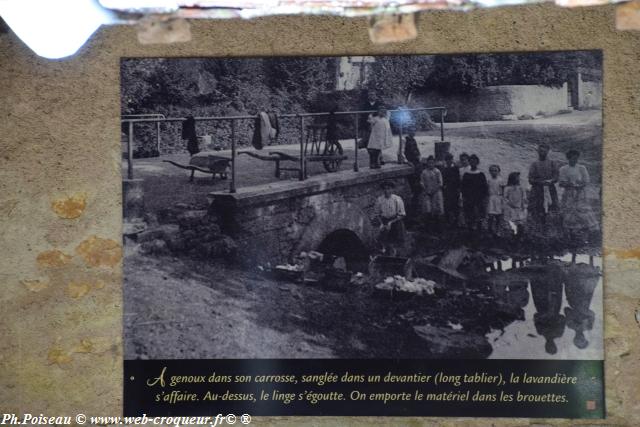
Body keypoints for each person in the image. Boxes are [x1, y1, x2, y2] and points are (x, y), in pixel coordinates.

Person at [558, 150, 599, 241]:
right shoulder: (563, 169)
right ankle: (570, 232)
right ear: (569, 158)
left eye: (576, 158)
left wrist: (580, 185)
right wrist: (569, 184)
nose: (575, 160)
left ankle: (585, 232)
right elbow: (561, 183)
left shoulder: (582, 168)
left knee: (582, 210)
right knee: (569, 211)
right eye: (573, 158)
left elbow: (586, 180)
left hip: (580, 193)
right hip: (569, 194)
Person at [528, 143, 559, 224]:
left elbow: (556, 177)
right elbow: (530, 179)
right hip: (537, 190)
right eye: (540, 151)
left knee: (551, 208)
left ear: (548, 151)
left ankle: (549, 225)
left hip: (550, 188)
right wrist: (540, 182)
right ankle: (537, 225)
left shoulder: (553, 163)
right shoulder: (534, 164)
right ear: (538, 152)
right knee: (537, 209)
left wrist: (550, 181)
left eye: (544, 151)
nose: (542, 153)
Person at [374, 181, 406, 255]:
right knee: (383, 239)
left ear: (392, 190)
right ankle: (386, 252)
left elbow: (402, 214)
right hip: (384, 221)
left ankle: (398, 253)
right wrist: (381, 223)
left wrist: (391, 222)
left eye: (388, 189)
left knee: (397, 240)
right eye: (384, 189)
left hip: (396, 221)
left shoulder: (397, 199)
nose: (386, 191)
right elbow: (377, 214)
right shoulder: (380, 200)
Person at [461, 154, 488, 232]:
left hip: (478, 198)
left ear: (477, 162)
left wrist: (483, 198)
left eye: (475, 161)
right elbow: (463, 187)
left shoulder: (481, 174)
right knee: (469, 214)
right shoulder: (466, 174)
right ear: (469, 162)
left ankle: (479, 229)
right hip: (469, 197)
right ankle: (470, 230)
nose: (473, 163)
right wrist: (464, 197)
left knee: (479, 214)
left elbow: (484, 188)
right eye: (471, 161)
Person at [420, 156, 444, 230]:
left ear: (434, 163)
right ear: (427, 163)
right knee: (428, 209)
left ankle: (439, 227)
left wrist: (434, 190)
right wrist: (425, 189)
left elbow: (440, 183)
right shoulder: (424, 172)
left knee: (437, 209)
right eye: (429, 163)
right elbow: (421, 182)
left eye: (432, 163)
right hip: (427, 192)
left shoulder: (437, 171)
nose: (430, 164)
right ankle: (429, 227)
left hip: (436, 192)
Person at [503, 172, 527, 237]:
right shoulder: (507, 188)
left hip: (519, 208)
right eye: (516, 177)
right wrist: (510, 204)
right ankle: (513, 238)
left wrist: (524, 206)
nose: (518, 179)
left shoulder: (521, 188)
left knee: (520, 224)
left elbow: (524, 198)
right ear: (512, 178)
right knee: (512, 224)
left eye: (518, 178)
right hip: (510, 209)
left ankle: (519, 238)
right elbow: (505, 198)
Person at [404, 129, 422, 212]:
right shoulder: (404, 140)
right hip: (411, 163)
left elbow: (417, 151)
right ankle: (413, 207)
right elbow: (401, 152)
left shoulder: (414, 140)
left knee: (418, 186)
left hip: (417, 164)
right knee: (413, 186)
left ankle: (417, 205)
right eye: (412, 131)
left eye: (414, 131)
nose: (413, 133)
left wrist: (419, 157)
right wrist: (407, 162)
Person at [441, 153, 461, 227]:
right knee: (447, 204)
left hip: (454, 189)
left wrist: (458, 189)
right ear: (446, 161)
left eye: (451, 159)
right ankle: (448, 220)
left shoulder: (455, 168)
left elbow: (458, 179)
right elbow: (443, 180)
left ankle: (456, 220)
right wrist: (444, 187)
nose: (449, 161)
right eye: (448, 160)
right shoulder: (444, 169)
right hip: (447, 189)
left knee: (455, 205)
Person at [487, 164, 504, 236]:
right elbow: (487, 190)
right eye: (492, 171)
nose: (494, 172)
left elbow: (504, 191)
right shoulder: (489, 180)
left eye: (495, 171)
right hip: (491, 198)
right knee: (490, 215)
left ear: (499, 171)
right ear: (490, 172)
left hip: (498, 198)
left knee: (498, 216)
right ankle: (490, 229)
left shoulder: (501, 180)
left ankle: (498, 230)